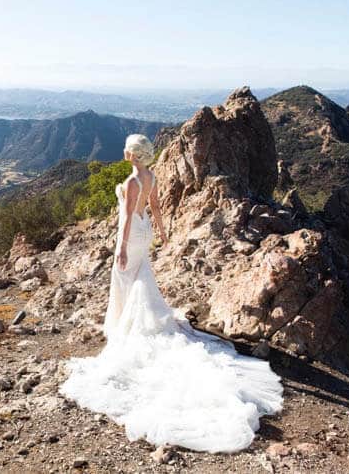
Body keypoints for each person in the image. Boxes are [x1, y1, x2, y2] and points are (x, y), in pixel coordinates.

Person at [59, 134, 283, 453]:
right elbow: (154, 206)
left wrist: (120, 247)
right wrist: (161, 233)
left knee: (124, 276)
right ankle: (128, 321)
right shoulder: (151, 176)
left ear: (134, 154)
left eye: (127, 148)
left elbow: (125, 219)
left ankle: (126, 324)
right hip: (145, 229)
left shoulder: (134, 179)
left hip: (132, 234)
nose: (124, 151)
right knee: (140, 277)